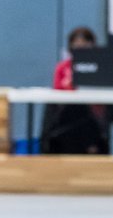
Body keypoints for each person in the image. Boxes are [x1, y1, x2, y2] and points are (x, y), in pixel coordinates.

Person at [40, 25, 109, 155]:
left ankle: (91, 145)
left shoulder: (99, 67)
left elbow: (101, 92)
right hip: (66, 115)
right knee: (75, 108)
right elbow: (57, 93)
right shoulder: (63, 67)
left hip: (91, 114)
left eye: (84, 46)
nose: (80, 49)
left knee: (82, 109)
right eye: (76, 46)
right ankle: (88, 145)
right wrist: (70, 85)